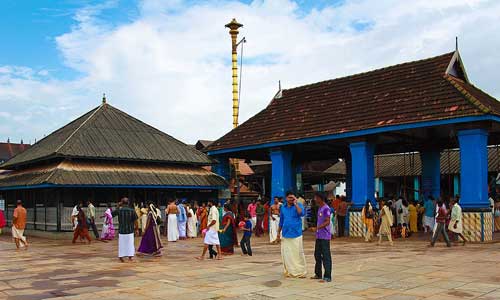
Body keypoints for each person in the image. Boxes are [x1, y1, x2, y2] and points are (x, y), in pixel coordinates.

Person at [278, 191, 307, 278]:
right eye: (290, 197)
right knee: (287, 254)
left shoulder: (298, 205)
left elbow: (301, 214)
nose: (291, 199)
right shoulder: (283, 208)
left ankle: (299, 271)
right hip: (286, 233)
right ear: (286, 198)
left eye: (293, 198)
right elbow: (281, 221)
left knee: (297, 254)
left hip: (296, 233)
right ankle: (290, 271)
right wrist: (278, 233)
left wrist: (296, 204)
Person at [311, 192, 332, 282]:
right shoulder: (319, 208)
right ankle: (318, 273)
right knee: (317, 255)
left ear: (320, 198)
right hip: (319, 236)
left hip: (325, 236)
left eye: (316, 197)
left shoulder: (326, 208)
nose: (315, 199)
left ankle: (327, 276)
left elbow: (327, 221)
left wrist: (317, 228)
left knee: (326, 256)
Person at [112, 198, 138, 262]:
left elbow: (112, 214)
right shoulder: (132, 210)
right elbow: (136, 221)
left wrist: (118, 206)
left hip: (122, 230)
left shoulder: (119, 210)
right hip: (130, 230)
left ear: (122, 203)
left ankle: (121, 256)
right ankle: (130, 257)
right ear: (128, 203)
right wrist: (136, 229)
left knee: (122, 244)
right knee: (130, 244)